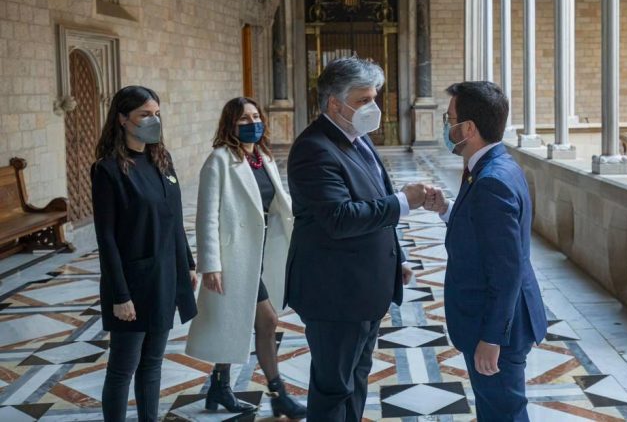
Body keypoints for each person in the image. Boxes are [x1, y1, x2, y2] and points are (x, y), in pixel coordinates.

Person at [284, 56, 424, 421]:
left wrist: (400, 256)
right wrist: (404, 202)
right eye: (363, 101)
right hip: (334, 294)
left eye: (374, 98)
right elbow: (339, 218)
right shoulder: (314, 148)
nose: (373, 108)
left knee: (356, 378)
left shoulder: (355, 139)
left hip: (363, 290)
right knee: (333, 388)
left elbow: (374, 196)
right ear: (335, 103)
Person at [425, 81, 547, 422]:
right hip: (494, 321)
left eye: (449, 119)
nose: (446, 127)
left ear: (468, 128)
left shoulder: (491, 179)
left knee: (502, 413)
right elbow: (484, 236)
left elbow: (505, 270)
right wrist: (446, 209)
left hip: (496, 328)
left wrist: (492, 338)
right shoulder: (492, 165)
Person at [185, 97, 306, 419]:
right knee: (266, 320)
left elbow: (278, 202)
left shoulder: (262, 158)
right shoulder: (219, 161)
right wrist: (210, 264)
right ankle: (278, 393)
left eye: (255, 117)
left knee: (235, 320)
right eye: (243, 120)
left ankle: (220, 385)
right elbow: (207, 216)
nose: (253, 124)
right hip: (236, 254)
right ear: (230, 126)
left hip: (263, 250)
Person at [91, 85, 198, 422]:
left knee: (152, 365)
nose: (154, 120)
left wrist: (188, 265)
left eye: (156, 113)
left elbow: (175, 219)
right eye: (144, 115)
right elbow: (106, 238)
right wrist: (120, 295)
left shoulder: (162, 160)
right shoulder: (108, 170)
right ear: (123, 119)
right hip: (132, 284)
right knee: (123, 368)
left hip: (165, 277)